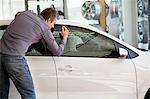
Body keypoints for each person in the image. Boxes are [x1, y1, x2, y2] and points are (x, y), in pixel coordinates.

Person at [0, 7, 69, 99]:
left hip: (0, 54)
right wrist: (64, 38)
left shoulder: (24, 13)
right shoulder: (44, 28)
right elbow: (57, 52)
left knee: (2, 93)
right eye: (53, 23)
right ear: (49, 19)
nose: (52, 26)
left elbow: (17, 14)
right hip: (15, 58)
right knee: (29, 94)